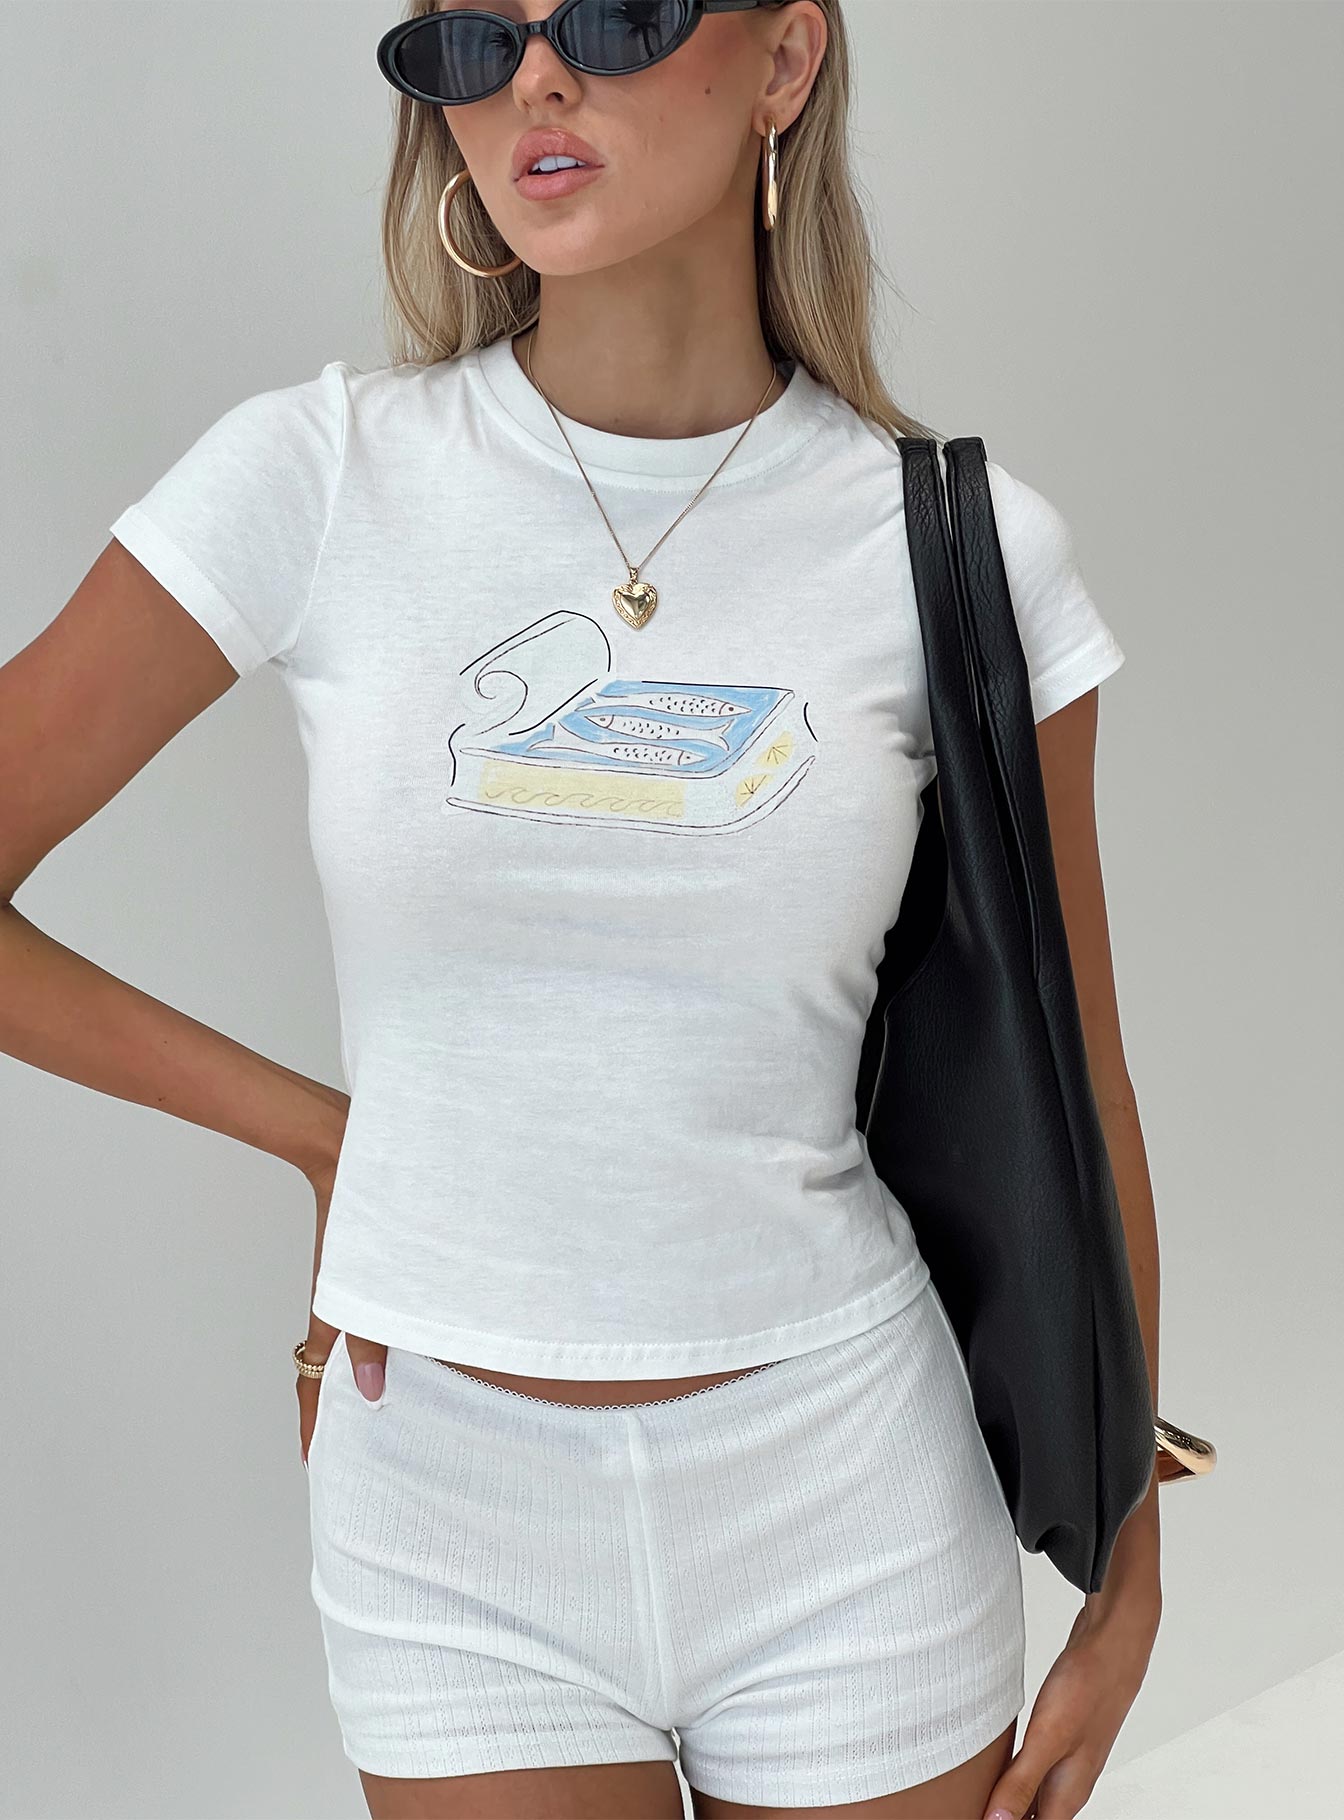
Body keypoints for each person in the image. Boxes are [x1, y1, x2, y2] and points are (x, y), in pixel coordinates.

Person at [1, 2, 1163, 1815]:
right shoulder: (320, 477)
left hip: (848, 1479)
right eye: (473, 42)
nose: (535, 78)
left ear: (785, 63)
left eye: (614, 16)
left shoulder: (956, 545)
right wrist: (323, 1138)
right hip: (444, 1512)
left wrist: (1129, 1557)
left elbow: (1079, 1076)